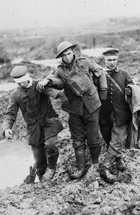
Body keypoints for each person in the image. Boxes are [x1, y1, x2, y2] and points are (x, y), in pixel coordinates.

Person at [37, 41, 107, 180]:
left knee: (93, 138)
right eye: (64, 55)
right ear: (61, 57)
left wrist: (103, 91)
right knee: (77, 140)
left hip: (92, 106)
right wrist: (53, 88)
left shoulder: (85, 62)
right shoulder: (60, 70)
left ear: (73, 52)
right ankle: (80, 168)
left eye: (69, 54)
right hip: (74, 109)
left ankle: (94, 165)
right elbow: (49, 82)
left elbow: (101, 72)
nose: (67, 57)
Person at [2, 65, 63, 183]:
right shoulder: (15, 95)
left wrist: (48, 80)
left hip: (48, 122)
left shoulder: (40, 85)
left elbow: (59, 83)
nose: (20, 85)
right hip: (33, 129)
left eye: (22, 82)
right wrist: (6, 128)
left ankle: (51, 168)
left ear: (27, 77)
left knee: (51, 145)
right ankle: (41, 181)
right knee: (39, 160)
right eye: (17, 83)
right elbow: (10, 114)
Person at [99, 48, 135, 183]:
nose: (112, 62)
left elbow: (133, 87)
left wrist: (130, 89)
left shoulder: (124, 74)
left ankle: (105, 166)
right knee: (110, 140)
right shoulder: (99, 74)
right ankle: (118, 159)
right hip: (104, 115)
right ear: (104, 61)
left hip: (120, 114)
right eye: (109, 60)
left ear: (117, 60)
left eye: (114, 60)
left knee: (117, 139)